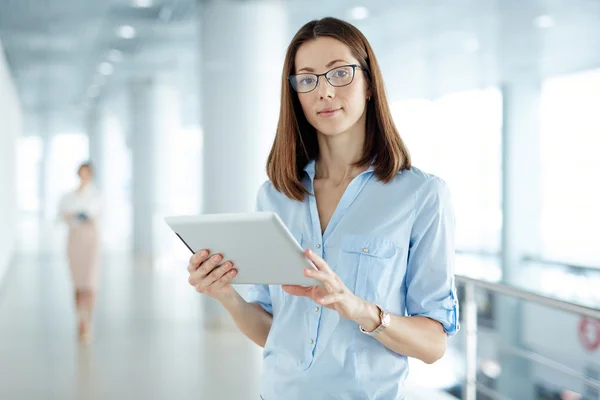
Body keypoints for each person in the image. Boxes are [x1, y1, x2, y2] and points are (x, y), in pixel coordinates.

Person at [187, 17, 459, 399]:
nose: (325, 92)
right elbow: (272, 331)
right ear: (295, 93)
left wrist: (360, 310)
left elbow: (433, 346)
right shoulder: (276, 195)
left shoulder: (421, 196)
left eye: (340, 74)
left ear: (368, 84)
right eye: (308, 79)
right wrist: (226, 295)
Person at [58, 162, 103, 344]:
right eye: (81, 173)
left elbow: (93, 214)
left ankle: (88, 321)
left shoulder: (96, 195)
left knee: (90, 282)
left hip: (91, 239)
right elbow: (63, 215)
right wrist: (76, 215)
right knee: (77, 282)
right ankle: (80, 319)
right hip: (74, 239)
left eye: (87, 173)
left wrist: (76, 215)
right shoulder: (68, 196)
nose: (84, 176)